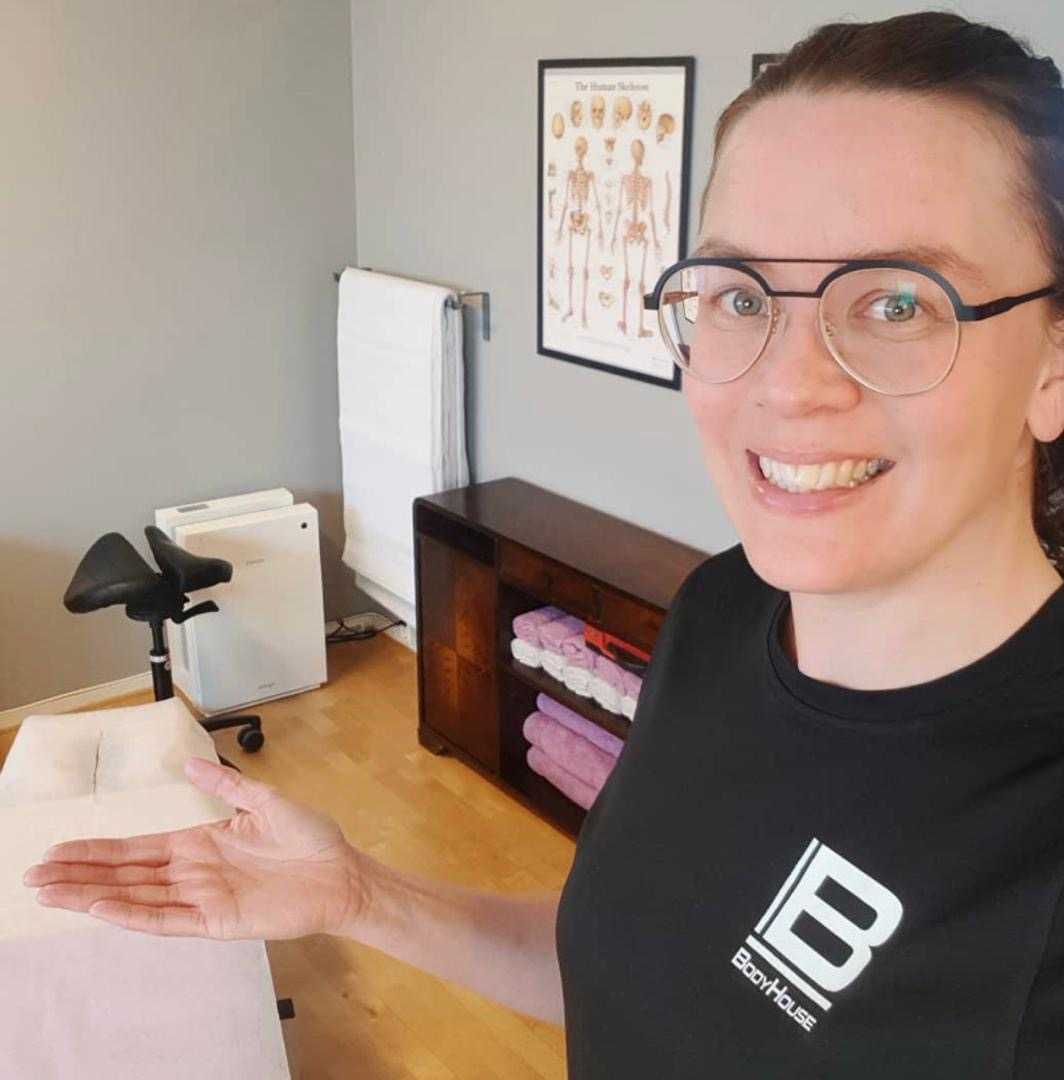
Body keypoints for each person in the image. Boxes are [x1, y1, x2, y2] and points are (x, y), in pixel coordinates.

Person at [20, 10, 1064, 1076]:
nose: (789, 385)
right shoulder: (721, 611)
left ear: (1052, 363)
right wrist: (359, 895)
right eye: (741, 296)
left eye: (899, 302)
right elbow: (619, 970)